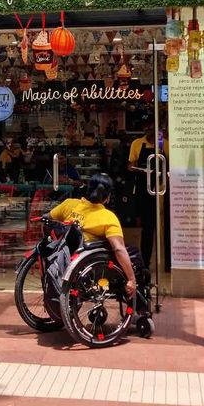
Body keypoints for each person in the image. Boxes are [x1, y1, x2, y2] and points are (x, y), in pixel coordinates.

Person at [48, 174, 138, 297]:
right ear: (107, 197)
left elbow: (48, 219)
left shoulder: (68, 204)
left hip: (66, 255)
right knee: (134, 254)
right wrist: (132, 279)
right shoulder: (108, 217)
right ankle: (140, 307)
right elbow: (118, 249)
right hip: (93, 267)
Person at [128, 121, 164, 265]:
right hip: (145, 188)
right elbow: (130, 165)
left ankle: (167, 263)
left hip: (162, 188)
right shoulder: (137, 143)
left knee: (163, 226)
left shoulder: (164, 143)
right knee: (147, 227)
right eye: (149, 129)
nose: (151, 132)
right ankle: (145, 261)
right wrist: (137, 169)